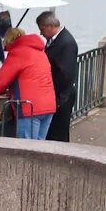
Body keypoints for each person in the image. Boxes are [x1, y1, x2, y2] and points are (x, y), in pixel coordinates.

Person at [0, 27, 55, 141]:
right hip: (48, 105)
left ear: (10, 41)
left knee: (26, 149)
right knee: (40, 148)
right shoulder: (39, 51)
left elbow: (1, 81)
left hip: (29, 107)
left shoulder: (18, 53)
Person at [36, 11, 78, 142]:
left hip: (61, 96)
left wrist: (58, 100)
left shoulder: (66, 43)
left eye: (42, 29)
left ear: (49, 26)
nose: (41, 33)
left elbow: (66, 73)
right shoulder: (59, 40)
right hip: (58, 95)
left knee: (58, 133)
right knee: (54, 132)